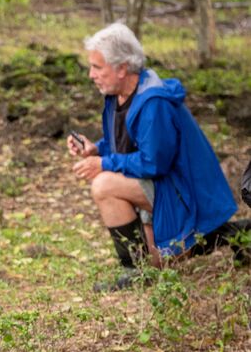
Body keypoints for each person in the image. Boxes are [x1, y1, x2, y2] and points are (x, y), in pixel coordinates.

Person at [68, 22, 245, 291]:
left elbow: (153, 162)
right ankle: (237, 235)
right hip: (166, 187)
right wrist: (98, 149)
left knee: (104, 184)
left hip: (181, 190)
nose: (91, 75)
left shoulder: (153, 103)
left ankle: (135, 271)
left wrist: (104, 163)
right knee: (161, 261)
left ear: (122, 68)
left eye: (97, 67)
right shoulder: (119, 96)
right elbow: (130, 143)